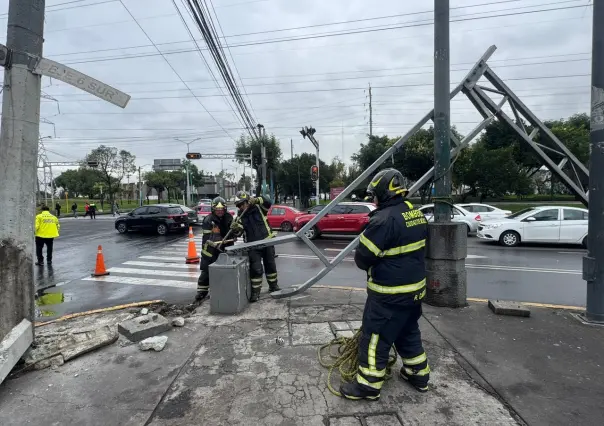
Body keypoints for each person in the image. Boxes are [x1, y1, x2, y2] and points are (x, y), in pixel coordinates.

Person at [339, 168, 430, 401]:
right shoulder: (415, 213)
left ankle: (368, 386)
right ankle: (418, 374)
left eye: (374, 195)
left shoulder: (382, 220)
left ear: (383, 192)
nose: (373, 199)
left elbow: (363, 259)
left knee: (375, 338)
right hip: (415, 293)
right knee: (408, 331)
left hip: (389, 296)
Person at [231, 190, 279, 302]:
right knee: (256, 269)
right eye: (239, 205)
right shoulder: (240, 216)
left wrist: (257, 199)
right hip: (253, 246)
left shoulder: (259, 208)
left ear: (248, 201)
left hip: (267, 242)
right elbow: (238, 233)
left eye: (243, 204)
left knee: (270, 266)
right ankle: (256, 293)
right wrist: (235, 228)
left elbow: (268, 201)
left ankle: (274, 286)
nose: (241, 207)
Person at [196, 197, 234, 301]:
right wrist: (216, 241)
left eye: (222, 209)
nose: (220, 211)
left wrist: (236, 229)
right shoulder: (208, 220)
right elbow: (208, 237)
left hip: (226, 248)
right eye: (217, 209)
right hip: (210, 251)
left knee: (225, 271)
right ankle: (201, 292)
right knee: (206, 272)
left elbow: (234, 232)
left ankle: (222, 290)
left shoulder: (229, 217)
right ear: (213, 209)